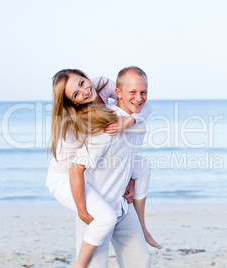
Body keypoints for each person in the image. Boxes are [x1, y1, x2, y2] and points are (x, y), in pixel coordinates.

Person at [46, 68, 160, 267]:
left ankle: (142, 227)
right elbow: (75, 170)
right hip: (82, 194)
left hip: (120, 204)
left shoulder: (110, 95)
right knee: (95, 263)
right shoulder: (93, 126)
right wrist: (83, 212)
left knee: (141, 261)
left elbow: (132, 147)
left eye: (142, 92)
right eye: (76, 93)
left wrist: (130, 179)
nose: (139, 99)